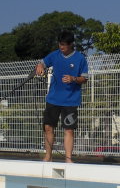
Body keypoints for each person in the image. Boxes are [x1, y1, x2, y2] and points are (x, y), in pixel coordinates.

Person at [35, 31, 88, 162]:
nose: (61, 47)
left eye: (64, 44)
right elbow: (42, 63)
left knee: (69, 130)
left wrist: (73, 78)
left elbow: (84, 78)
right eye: (60, 44)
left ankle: (68, 159)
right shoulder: (55, 55)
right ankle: (48, 156)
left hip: (70, 100)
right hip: (53, 99)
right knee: (48, 127)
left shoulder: (80, 58)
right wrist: (40, 66)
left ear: (71, 44)